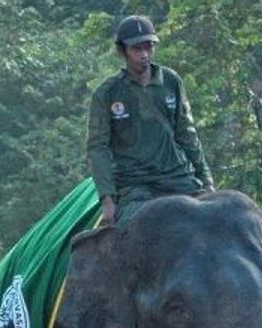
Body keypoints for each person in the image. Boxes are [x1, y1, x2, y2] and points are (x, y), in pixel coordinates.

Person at [87, 14, 214, 227]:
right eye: (137, 49)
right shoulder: (107, 93)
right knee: (129, 234)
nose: (144, 55)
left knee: (220, 220)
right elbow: (97, 147)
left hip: (178, 178)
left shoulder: (171, 81)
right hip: (134, 185)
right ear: (123, 51)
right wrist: (107, 199)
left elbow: (187, 134)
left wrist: (207, 181)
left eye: (149, 47)